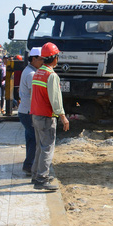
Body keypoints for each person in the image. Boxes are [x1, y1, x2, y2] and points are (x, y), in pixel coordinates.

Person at [30, 42, 69, 191]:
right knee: (47, 148)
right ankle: (41, 179)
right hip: (46, 116)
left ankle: (36, 174)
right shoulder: (51, 75)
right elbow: (55, 99)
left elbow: (34, 96)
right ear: (54, 58)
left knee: (40, 147)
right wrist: (63, 117)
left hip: (36, 115)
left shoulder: (38, 72)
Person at [17, 47, 43, 176]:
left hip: (25, 111)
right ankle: (30, 165)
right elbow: (35, 96)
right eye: (41, 59)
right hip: (28, 111)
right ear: (33, 59)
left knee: (30, 138)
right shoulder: (32, 74)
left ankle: (29, 165)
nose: (43, 62)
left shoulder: (28, 70)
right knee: (34, 139)